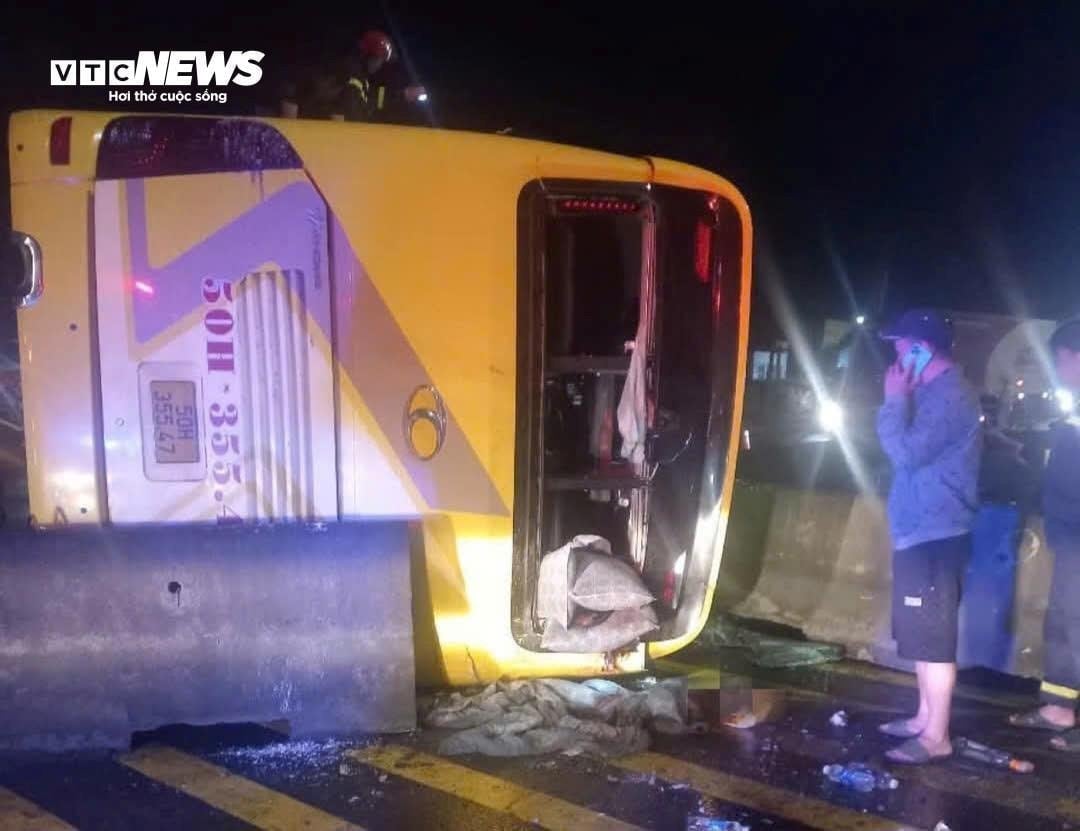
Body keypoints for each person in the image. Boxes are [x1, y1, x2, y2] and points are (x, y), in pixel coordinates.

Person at [875, 308, 983, 764]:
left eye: (901, 347)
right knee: (922, 635)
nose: (896, 357)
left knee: (935, 640)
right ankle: (923, 718)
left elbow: (905, 452)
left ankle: (935, 737)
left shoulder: (950, 397)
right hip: (920, 531)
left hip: (936, 533)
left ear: (920, 349)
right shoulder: (938, 394)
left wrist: (894, 399)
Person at [1008, 318, 1080, 753]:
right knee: (1063, 621)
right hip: (1068, 529)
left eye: (1060, 359)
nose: (1058, 368)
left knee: (1073, 622)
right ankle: (1058, 706)